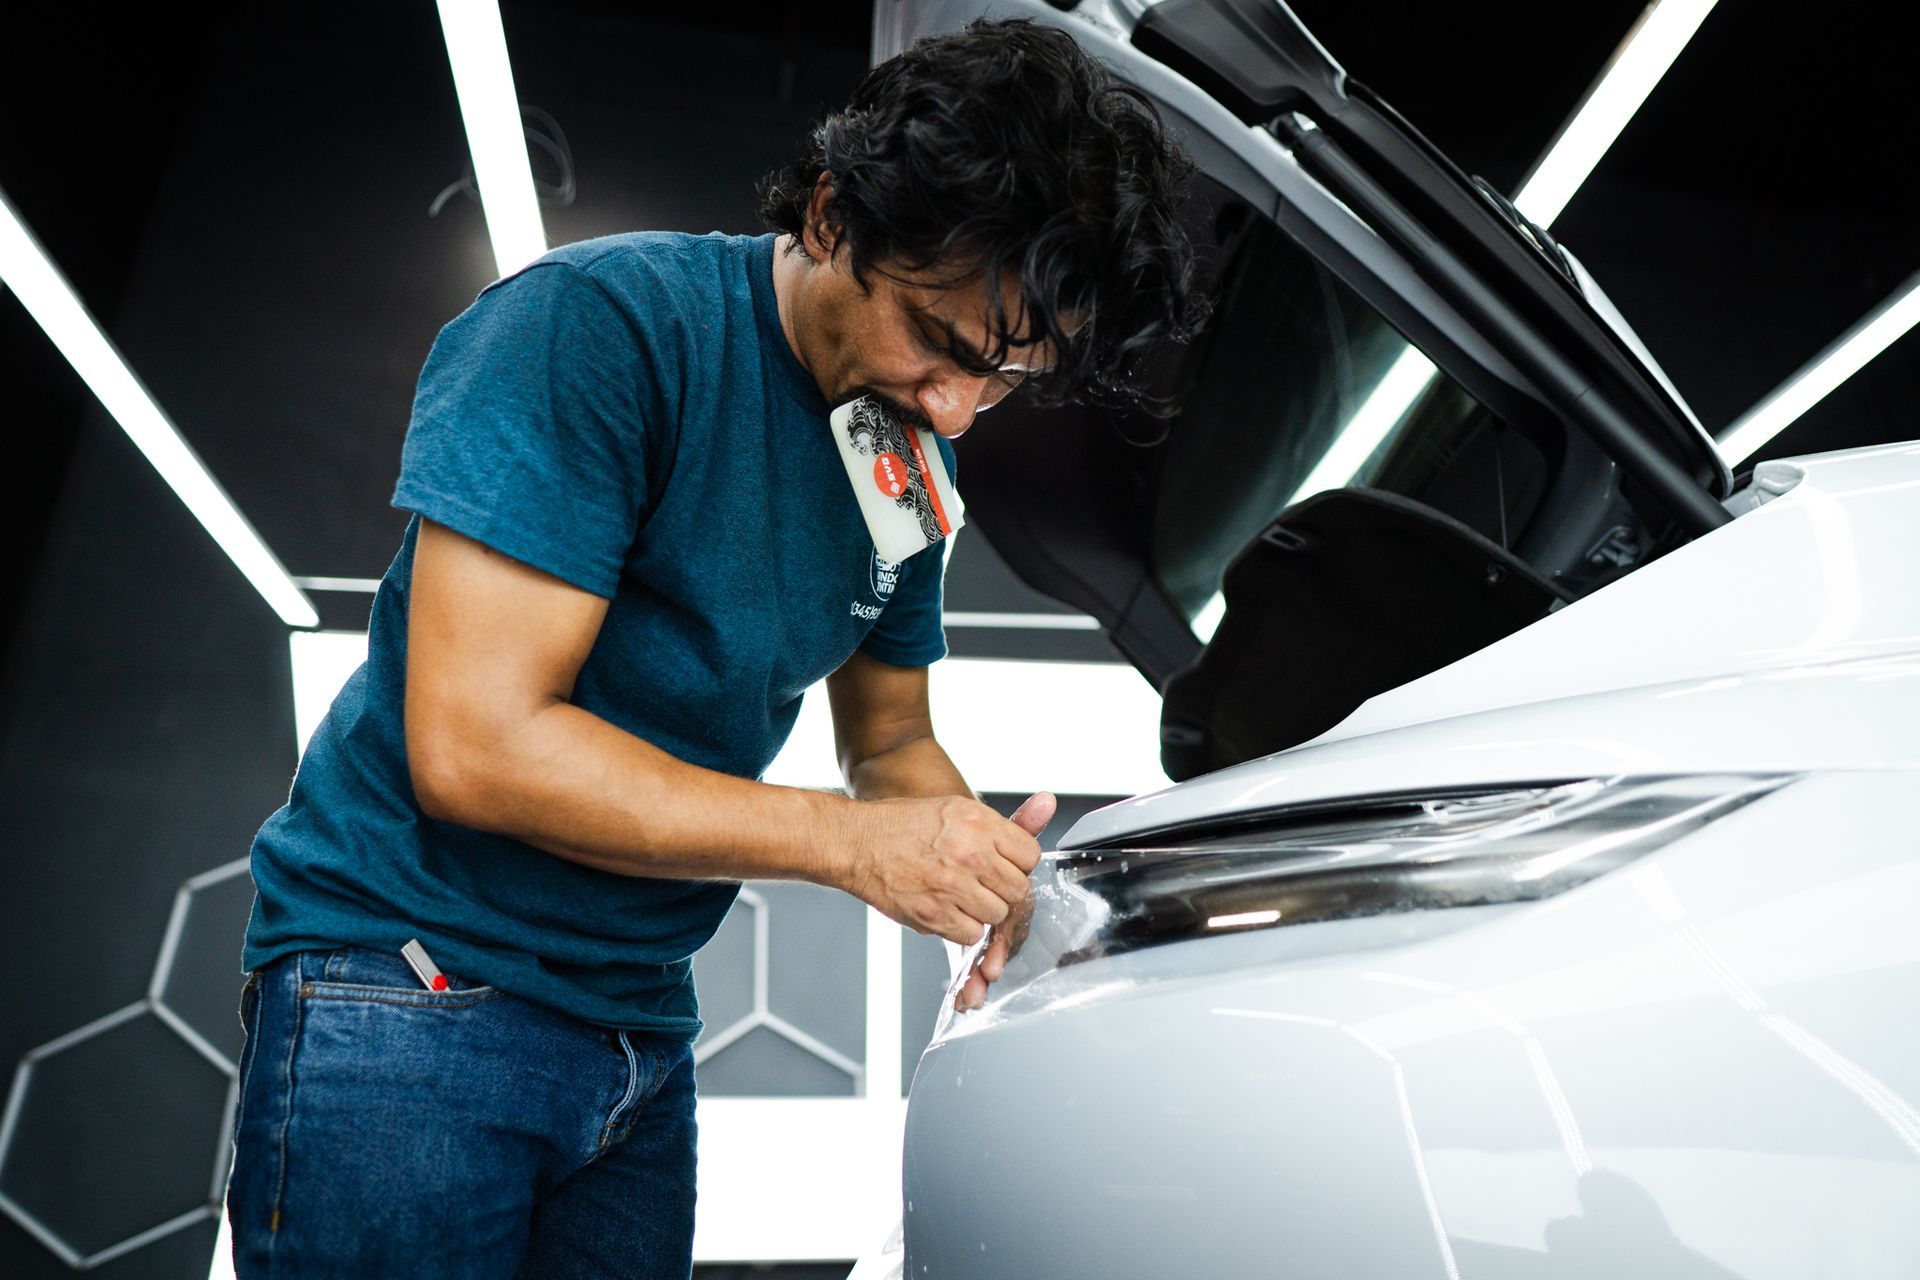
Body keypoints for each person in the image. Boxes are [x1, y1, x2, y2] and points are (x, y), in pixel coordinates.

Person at [226, 16, 1205, 1278]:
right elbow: (476, 746)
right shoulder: (598, 333)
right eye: (942, 342)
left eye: (1008, 376)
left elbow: (892, 739)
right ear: (833, 214)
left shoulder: (904, 464)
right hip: (411, 993)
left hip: (634, 1029)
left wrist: (995, 884)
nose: (958, 408)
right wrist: (852, 845)